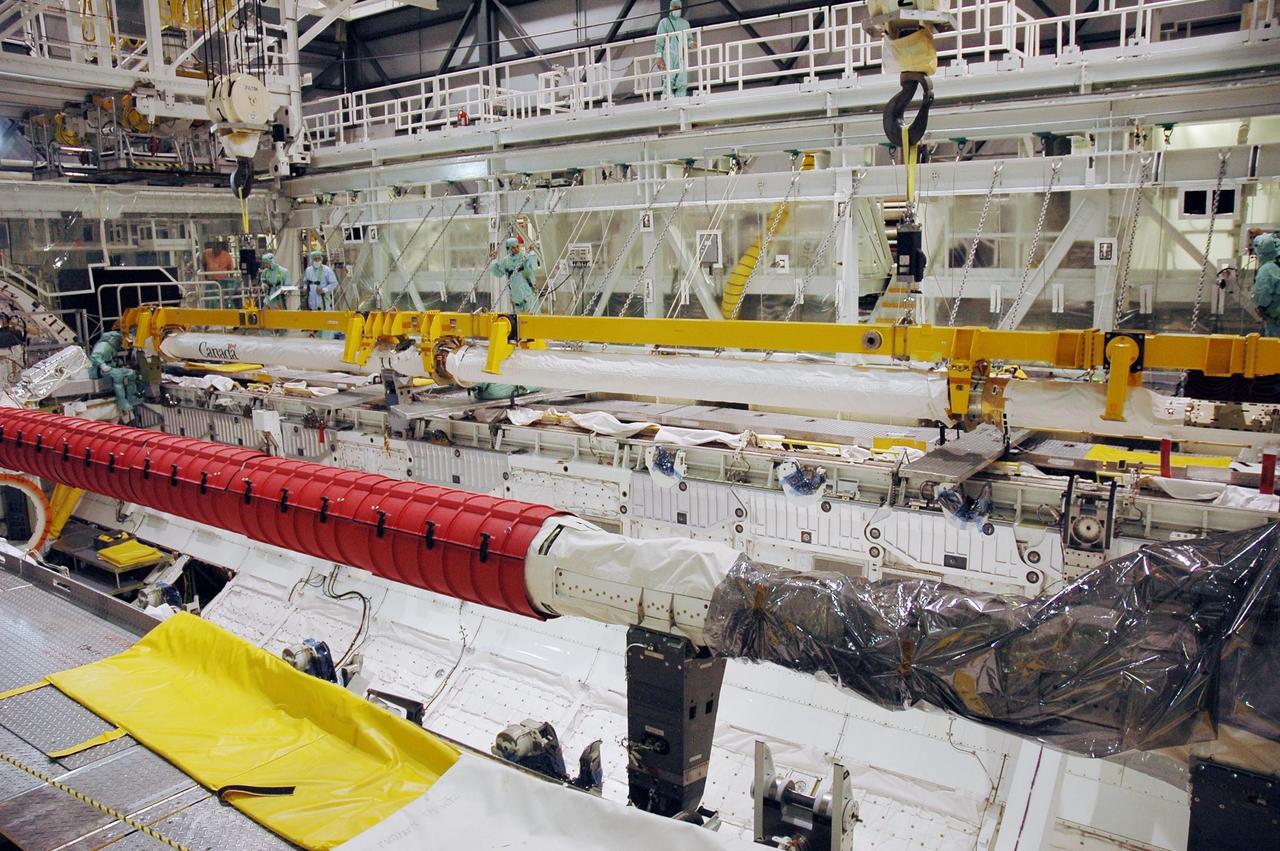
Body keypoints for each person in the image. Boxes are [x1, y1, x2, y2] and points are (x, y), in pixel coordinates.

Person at [489, 237, 541, 314]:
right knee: (521, 323)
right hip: (517, 301)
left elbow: (534, 266)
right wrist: (493, 260)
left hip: (529, 297)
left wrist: (532, 253)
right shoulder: (506, 261)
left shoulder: (524, 257)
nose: (516, 249)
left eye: (517, 246)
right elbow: (498, 272)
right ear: (508, 248)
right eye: (513, 247)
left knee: (533, 321)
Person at [654, 0, 692, 98]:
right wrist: (659, 57)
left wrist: (691, 44)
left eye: (678, 8)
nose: (676, 10)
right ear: (670, 8)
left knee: (682, 78)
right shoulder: (664, 23)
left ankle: (681, 98)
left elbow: (689, 39)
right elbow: (659, 41)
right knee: (668, 77)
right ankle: (667, 97)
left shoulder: (685, 24)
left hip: (682, 54)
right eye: (674, 7)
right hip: (669, 53)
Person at [1252, 233, 1280, 337]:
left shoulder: (1267, 269)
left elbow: (1262, 295)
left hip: (1276, 323)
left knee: (1274, 350)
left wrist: (1260, 308)